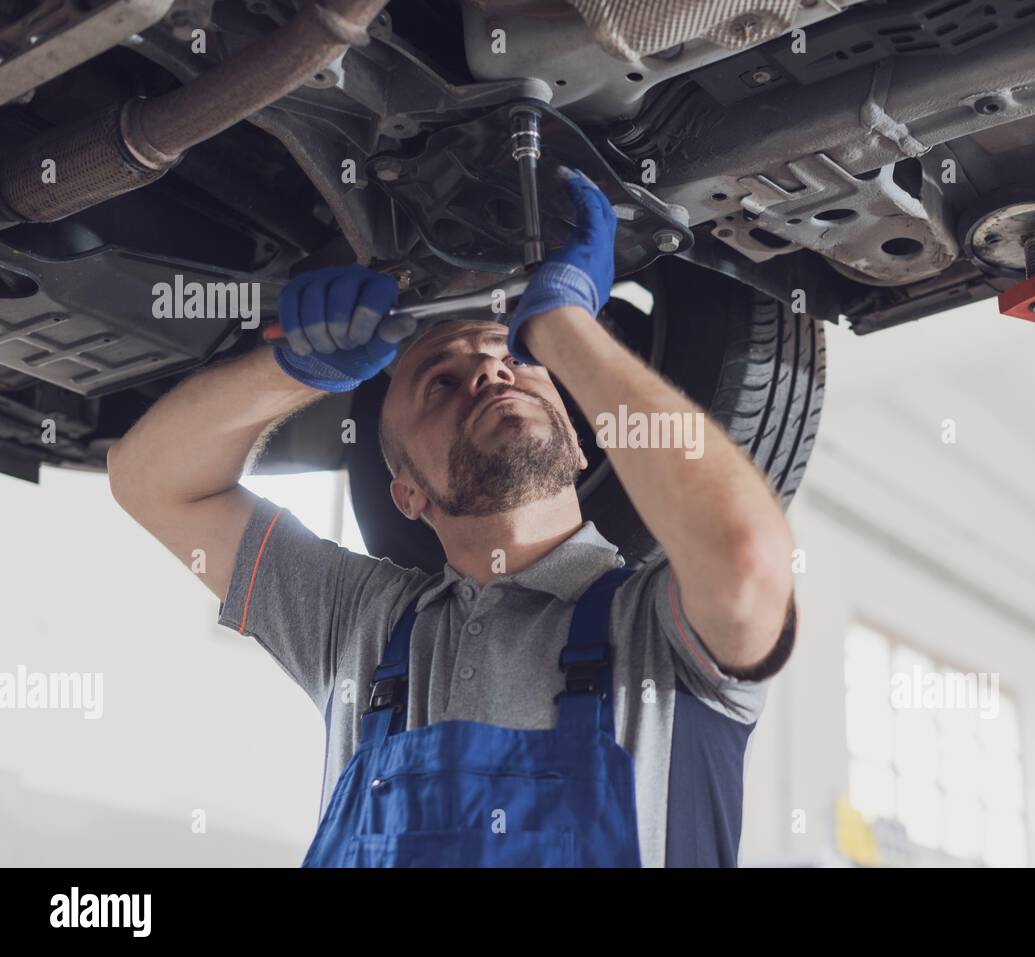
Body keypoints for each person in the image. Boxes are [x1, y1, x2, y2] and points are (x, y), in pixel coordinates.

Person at [108, 167, 798, 867]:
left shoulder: (656, 630)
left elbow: (746, 561)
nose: (489, 374)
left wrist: (563, 326)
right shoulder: (362, 625)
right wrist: (288, 369)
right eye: (441, 380)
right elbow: (150, 481)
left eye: (517, 364)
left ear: (578, 436)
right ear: (407, 493)